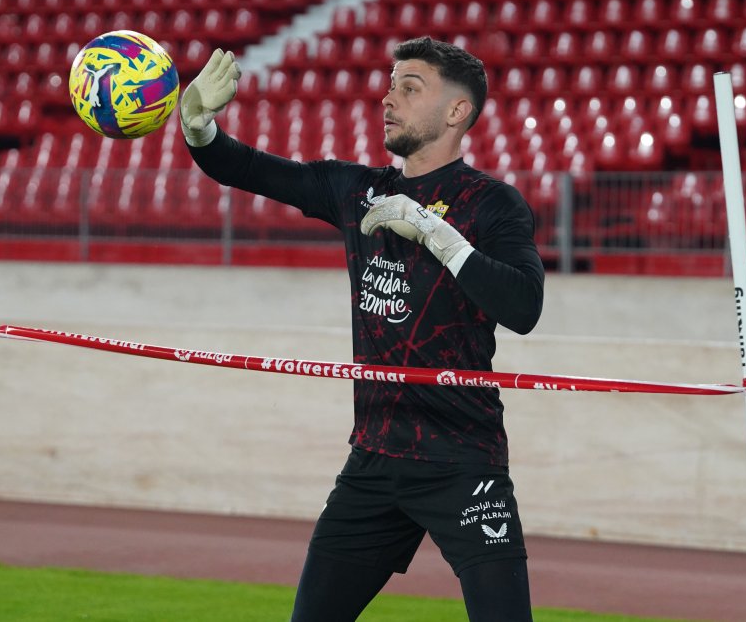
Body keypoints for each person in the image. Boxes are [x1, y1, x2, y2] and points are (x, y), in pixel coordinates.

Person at [180, 37, 544, 621]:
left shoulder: (493, 204)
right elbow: (246, 168)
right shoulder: (356, 189)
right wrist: (199, 127)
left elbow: (524, 307)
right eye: (389, 83)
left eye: (409, 87)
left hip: (463, 461)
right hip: (373, 462)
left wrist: (437, 234)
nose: (387, 97)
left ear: (458, 112)